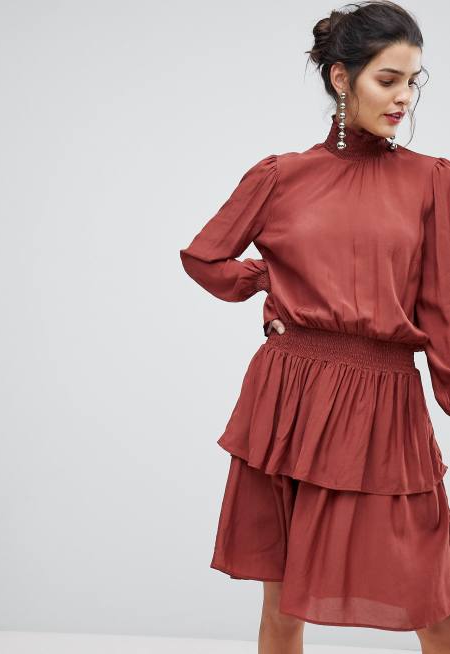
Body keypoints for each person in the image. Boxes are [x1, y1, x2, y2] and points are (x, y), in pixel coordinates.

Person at [179, 1, 450, 651]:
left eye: (412, 81)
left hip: (383, 399)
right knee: (281, 602)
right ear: (341, 78)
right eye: (387, 79)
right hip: (289, 393)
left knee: (431, 596)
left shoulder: (430, 181)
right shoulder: (282, 176)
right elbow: (205, 256)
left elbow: (442, 307)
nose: (404, 98)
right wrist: (271, 278)